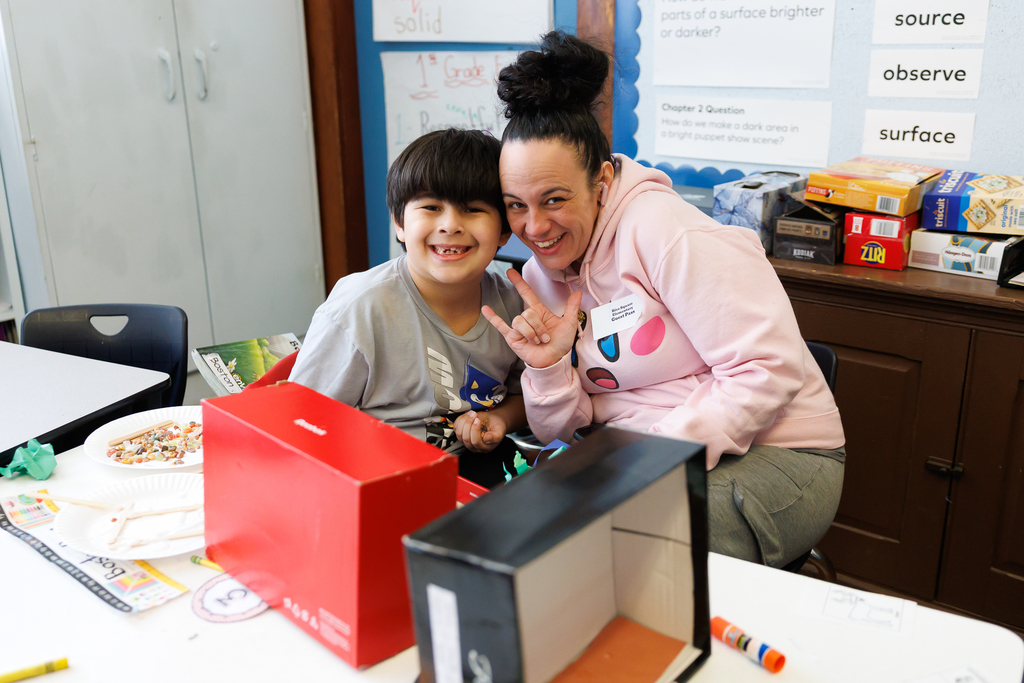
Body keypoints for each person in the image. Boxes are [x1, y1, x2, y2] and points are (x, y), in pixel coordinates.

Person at [482, 31, 846, 566]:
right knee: (521, 537)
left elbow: (768, 368)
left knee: (615, 553)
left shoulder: (664, 231)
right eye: (516, 205)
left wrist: (641, 462)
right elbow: (563, 428)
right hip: (636, 456)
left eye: (554, 199)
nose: (534, 227)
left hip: (781, 453)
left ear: (601, 181)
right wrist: (549, 369)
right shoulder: (540, 278)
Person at [290, 128, 527, 487]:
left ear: (505, 232)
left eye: (473, 209)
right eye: (431, 207)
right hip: (377, 481)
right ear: (400, 223)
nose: (450, 225)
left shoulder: (513, 304)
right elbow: (299, 425)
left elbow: (526, 396)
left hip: (474, 469)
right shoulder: (359, 309)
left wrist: (500, 419)